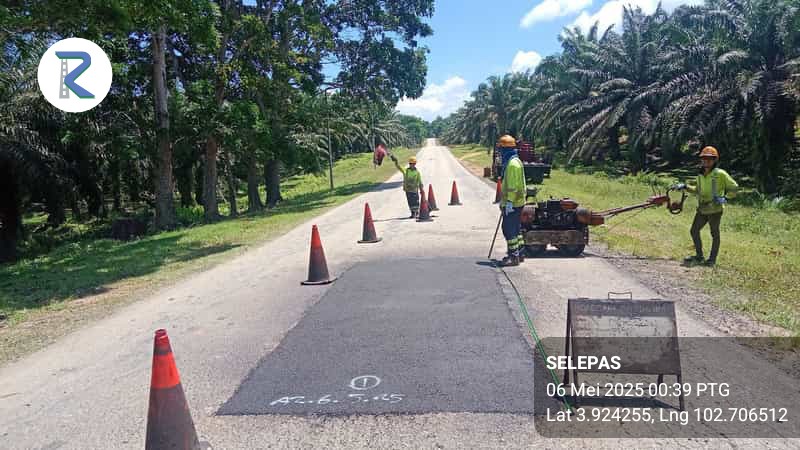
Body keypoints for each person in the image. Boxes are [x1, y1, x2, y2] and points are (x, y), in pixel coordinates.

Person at [673, 146, 739, 267]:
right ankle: (699, 256)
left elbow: (734, 187)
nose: (706, 161)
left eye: (709, 159)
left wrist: (726, 198)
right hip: (702, 209)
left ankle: (712, 260)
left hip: (715, 210)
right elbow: (697, 190)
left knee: (714, 234)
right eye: (704, 158)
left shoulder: (720, 174)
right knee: (694, 230)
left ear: (714, 160)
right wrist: (685, 186)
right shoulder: (700, 175)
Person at [497, 135, 527, 267]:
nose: (500, 153)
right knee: (516, 229)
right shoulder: (516, 161)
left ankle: (513, 256)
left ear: (505, 150)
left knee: (508, 229)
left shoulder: (512, 165)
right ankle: (520, 253)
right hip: (517, 202)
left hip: (513, 203)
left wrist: (509, 202)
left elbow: (513, 187)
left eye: (501, 150)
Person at [391, 154, 423, 218]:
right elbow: (399, 167)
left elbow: (420, 182)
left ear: (415, 164)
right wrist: (396, 161)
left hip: (414, 190)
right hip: (408, 190)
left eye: (413, 163)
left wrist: (421, 189)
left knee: (416, 201)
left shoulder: (417, 172)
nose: (412, 165)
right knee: (410, 202)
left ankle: (417, 212)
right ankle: (413, 213)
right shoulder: (406, 171)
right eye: (410, 163)